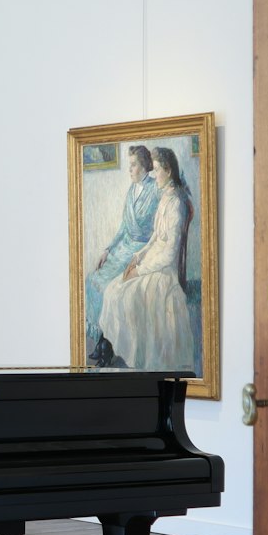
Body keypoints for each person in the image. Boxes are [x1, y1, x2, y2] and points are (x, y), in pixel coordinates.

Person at [96, 146, 195, 373]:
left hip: (163, 271)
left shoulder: (176, 204)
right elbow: (155, 236)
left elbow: (169, 253)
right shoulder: (165, 197)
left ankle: (137, 354)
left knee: (124, 294)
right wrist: (138, 256)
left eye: (157, 169)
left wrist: (140, 270)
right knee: (112, 289)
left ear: (168, 171)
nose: (154, 174)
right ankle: (116, 347)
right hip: (152, 259)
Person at [84, 145, 160, 364]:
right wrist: (107, 249)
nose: (130, 169)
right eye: (129, 165)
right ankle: (101, 338)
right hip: (124, 246)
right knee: (93, 279)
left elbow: (159, 230)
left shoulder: (155, 190)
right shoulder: (131, 190)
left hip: (141, 250)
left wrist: (145, 253)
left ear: (144, 166)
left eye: (134, 165)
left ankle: (106, 345)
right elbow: (123, 228)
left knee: (108, 284)